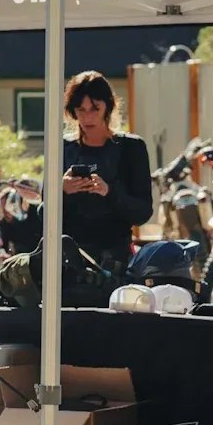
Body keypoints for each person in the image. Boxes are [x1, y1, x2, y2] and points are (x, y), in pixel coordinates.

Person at [58, 70, 153, 275]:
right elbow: (44, 214)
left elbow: (143, 213)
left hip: (114, 256)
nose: (87, 117)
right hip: (68, 256)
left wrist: (109, 192)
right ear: (72, 112)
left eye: (95, 108)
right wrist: (62, 190)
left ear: (107, 107)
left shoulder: (131, 148)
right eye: (80, 110)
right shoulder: (63, 148)